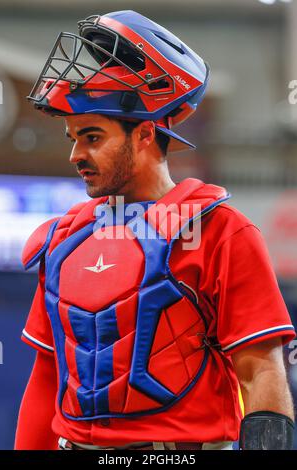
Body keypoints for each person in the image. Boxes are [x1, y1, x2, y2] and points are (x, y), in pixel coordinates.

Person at [15, 11, 295, 451]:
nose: (75, 154)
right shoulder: (64, 239)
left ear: (144, 134)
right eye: (72, 138)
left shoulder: (221, 231)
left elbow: (262, 370)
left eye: (91, 137)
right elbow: (46, 374)